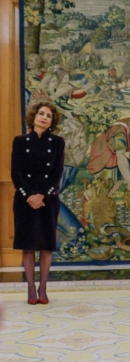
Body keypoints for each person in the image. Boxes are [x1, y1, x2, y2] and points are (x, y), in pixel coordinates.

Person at [11, 99, 65, 305]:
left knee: (46, 246)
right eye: (41, 113)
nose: (44, 117)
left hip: (48, 200)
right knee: (27, 246)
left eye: (49, 116)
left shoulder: (57, 142)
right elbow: (16, 173)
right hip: (25, 200)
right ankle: (31, 288)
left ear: (52, 121)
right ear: (33, 117)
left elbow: (57, 173)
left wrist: (42, 196)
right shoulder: (20, 141)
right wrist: (29, 196)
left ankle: (43, 287)